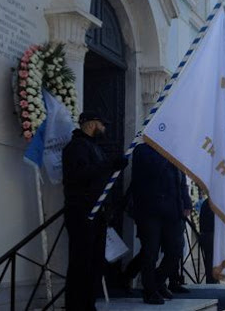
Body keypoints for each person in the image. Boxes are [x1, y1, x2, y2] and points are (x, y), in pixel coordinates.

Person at [62, 111, 128, 310]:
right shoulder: (76, 147)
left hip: (97, 214)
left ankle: (88, 304)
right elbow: (81, 175)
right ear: (92, 124)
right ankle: (76, 306)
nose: (105, 129)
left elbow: (100, 177)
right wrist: (110, 164)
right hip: (81, 214)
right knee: (81, 263)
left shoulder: (94, 148)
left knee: (95, 264)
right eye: (103, 124)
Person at [129, 143, 191, 304]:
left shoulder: (173, 150)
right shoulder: (142, 150)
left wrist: (187, 203)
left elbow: (181, 180)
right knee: (150, 252)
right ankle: (150, 291)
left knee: (176, 250)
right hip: (150, 211)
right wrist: (167, 153)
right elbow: (153, 170)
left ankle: (157, 282)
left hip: (173, 211)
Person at [199, 195, 217, 284]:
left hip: (207, 235)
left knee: (210, 260)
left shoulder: (207, 202)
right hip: (210, 235)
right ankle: (212, 280)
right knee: (211, 260)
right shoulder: (211, 202)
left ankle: (212, 280)